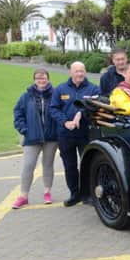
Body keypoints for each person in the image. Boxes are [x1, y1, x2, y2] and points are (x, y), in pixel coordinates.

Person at [50, 62, 100, 207]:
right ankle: (74, 194)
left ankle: (88, 195)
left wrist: (81, 113)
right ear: (70, 73)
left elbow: (96, 106)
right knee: (70, 166)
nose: (79, 74)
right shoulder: (60, 89)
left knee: (88, 165)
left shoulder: (93, 88)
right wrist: (65, 122)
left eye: (82, 71)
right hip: (66, 134)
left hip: (86, 133)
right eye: (76, 71)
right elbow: (53, 109)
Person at [12, 69, 59, 209]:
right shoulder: (26, 96)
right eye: (38, 78)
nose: (41, 80)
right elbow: (18, 113)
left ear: (48, 79)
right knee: (28, 166)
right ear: (34, 80)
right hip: (32, 138)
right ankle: (23, 196)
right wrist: (24, 130)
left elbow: (60, 112)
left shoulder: (55, 94)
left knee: (48, 165)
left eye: (43, 78)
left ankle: (47, 192)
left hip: (51, 138)